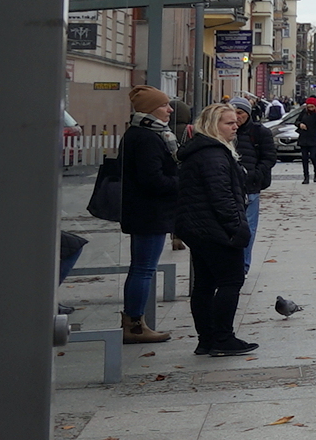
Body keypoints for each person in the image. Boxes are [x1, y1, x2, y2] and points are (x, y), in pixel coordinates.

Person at [173, 103, 256, 357]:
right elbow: (222, 197)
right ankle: (222, 337)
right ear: (213, 126)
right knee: (231, 281)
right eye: (229, 123)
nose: (235, 126)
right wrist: (237, 229)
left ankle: (207, 339)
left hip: (199, 228)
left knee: (205, 284)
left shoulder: (202, 151)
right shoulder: (213, 154)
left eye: (235, 122)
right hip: (214, 229)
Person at [118, 86, 181, 344]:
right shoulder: (146, 137)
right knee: (143, 269)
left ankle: (135, 322)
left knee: (142, 268)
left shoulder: (142, 133)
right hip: (148, 213)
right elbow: (152, 180)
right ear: (151, 109)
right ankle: (134, 324)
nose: (170, 109)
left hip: (145, 211)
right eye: (165, 105)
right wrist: (182, 180)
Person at [231, 97, 278, 274]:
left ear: (248, 114)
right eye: (233, 112)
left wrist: (255, 175)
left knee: (248, 227)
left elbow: (269, 157)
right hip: (228, 186)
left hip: (250, 187)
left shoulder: (259, 132)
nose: (237, 117)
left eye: (240, 113)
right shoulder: (224, 130)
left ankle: (243, 266)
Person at [294, 97, 316, 184]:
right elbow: (296, 121)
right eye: (309, 106)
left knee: (313, 156)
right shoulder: (304, 112)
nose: (310, 108)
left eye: (312, 106)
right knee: (304, 158)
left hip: (314, 138)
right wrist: (300, 124)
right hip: (304, 137)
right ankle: (306, 176)